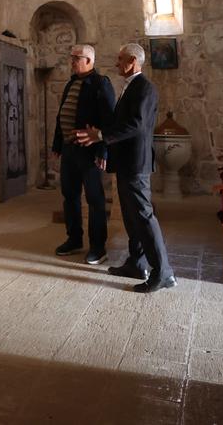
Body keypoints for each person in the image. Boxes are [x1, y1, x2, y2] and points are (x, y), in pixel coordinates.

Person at [76, 43, 175, 293]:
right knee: (132, 217)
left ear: (132, 60)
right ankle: (137, 263)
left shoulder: (145, 88)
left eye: (121, 59)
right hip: (126, 161)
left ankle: (163, 272)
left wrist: (100, 135)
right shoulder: (131, 87)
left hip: (136, 163)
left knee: (143, 216)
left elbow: (137, 125)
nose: (117, 63)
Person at [51, 44, 116, 264]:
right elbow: (62, 115)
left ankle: (98, 247)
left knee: (95, 199)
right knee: (69, 196)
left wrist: (104, 150)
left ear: (88, 60)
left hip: (90, 151)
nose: (72, 62)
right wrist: (58, 144)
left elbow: (109, 121)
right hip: (70, 149)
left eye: (75, 58)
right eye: (71, 58)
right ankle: (74, 239)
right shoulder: (72, 83)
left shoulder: (101, 84)